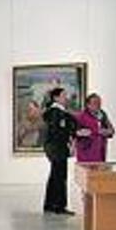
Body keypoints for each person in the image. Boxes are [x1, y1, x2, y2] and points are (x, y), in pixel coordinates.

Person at [42, 87, 84, 215]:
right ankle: (59, 207)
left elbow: (64, 127)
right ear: (56, 98)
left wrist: (73, 132)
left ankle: (50, 205)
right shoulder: (56, 112)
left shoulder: (57, 112)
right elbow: (58, 131)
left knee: (55, 176)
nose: (66, 97)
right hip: (57, 148)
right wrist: (74, 134)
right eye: (63, 95)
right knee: (60, 177)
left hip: (54, 147)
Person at [74, 93, 115, 163]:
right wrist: (86, 132)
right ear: (88, 105)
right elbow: (75, 132)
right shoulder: (81, 116)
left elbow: (111, 130)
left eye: (99, 103)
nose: (98, 105)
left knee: (100, 173)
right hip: (86, 154)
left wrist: (107, 132)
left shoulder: (102, 115)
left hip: (100, 152)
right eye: (95, 103)